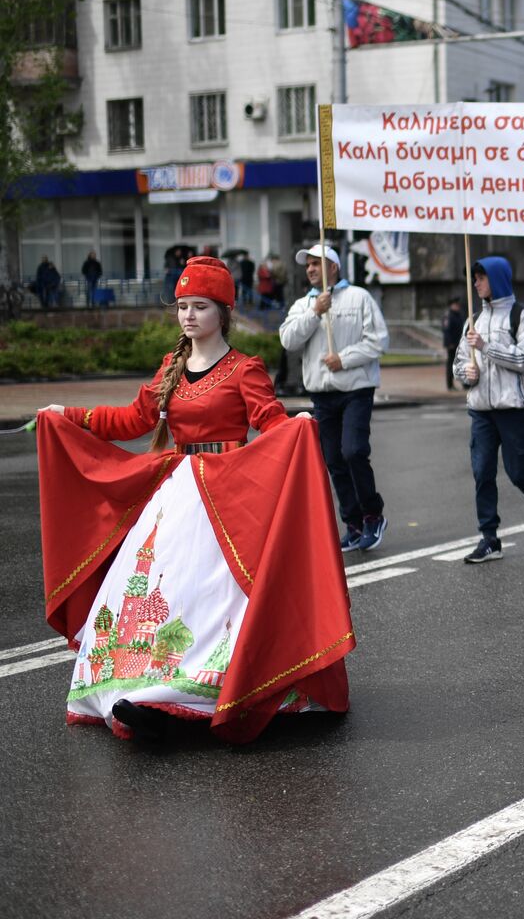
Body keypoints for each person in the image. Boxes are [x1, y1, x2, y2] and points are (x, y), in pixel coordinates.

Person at [33, 256, 354, 743]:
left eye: (199, 306)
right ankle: (147, 693)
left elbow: (271, 424)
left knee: (213, 598)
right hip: (176, 495)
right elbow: (132, 421)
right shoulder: (171, 367)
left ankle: (208, 693)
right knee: (162, 592)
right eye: (182, 306)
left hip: (228, 499)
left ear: (222, 312)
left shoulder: (245, 369)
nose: (188, 315)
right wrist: (70, 416)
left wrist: (298, 426)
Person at [279, 244, 390, 552]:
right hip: (322, 393)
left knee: (354, 451)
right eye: (308, 265)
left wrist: (345, 358)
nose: (311, 269)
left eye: (317, 263)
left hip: (356, 388)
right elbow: (289, 340)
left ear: (334, 267)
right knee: (334, 461)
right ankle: (353, 523)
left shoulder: (360, 298)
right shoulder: (304, 304)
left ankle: (373, 515)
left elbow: (379, 341)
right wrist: (315, 313)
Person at [455, 258, 524, 562]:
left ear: (497, 279)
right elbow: (459, 362)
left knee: (518, 473)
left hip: (513, 408)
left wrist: (487, 347)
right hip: (480, 409)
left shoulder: (522, 317)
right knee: (482, 472)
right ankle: (489, 538)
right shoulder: (472, 320)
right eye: (474, 278)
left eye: (481, 278)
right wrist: (466, 373)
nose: (476, 284)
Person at [442, 299, 467, 391]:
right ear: (451, 305)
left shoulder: (458, 315)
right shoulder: (448, 315)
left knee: (462, 364)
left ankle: (465, 383)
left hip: (459, 343)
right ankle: (450, 385)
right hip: (452, 344)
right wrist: (449, 343)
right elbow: (446, 330)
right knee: (451, 365)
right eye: (456, 305)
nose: (458, 306)